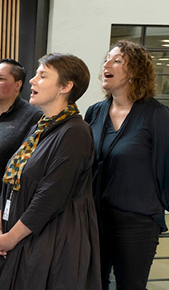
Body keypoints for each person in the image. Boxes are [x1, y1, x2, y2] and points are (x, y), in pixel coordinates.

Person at [0, 53, 100, 290]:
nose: (32, 80)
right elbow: (9, 181)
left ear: (66, 87)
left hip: (48, 243)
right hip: (14, 237)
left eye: (42, 75)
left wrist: (9, 238)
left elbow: (49, 197)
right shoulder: (40, 128)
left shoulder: (75, 132)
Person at [85, 40, 169, 290]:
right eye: (106, 60)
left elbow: (166, 167)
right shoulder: (94, 112)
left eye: (117, 60)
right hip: (94, 218)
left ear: (135, 72)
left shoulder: (157, 115)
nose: (106, 65)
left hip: (137, 223)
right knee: (92, 284)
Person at [0, 58, 42, 290]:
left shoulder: (33, 117)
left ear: (18, 85)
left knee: (3, 274)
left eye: (2, 79)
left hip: (9, 211)